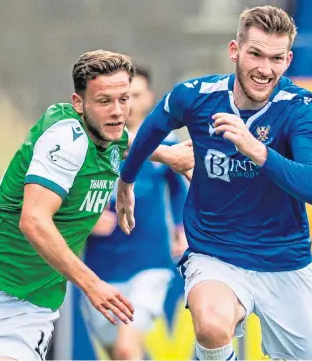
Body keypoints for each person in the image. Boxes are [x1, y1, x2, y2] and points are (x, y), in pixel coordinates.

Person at [117, 5, 312, 361]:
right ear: (235, 50)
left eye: (276, 58)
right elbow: (150, 130)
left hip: (285, 261)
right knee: (210, 325)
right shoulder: (195, 96)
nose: (264, 69)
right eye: (255, 54)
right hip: (215, 253)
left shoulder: (297, 107)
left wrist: (256, 149)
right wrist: (126, 180)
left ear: (288, 60)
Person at [0, 50, 194, 361]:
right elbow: (34, 221)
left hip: (31, 302)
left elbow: (126, 141)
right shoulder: (67, 139)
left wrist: (153, 165)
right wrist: (93, 285)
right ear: (79, 103)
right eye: (104, 101)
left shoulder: (105, 134)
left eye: (124, 99)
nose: (118, 111)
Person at [81, 65, 189, 360]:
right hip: (100, 271)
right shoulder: (89, 145)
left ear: (148, 97)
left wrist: (182, 228)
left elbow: (180, 188)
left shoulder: (166, 144)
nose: (126, 105)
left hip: (149, 264)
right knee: (120, 352)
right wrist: (85, 220)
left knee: (128, 348)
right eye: (119, 97)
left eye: (133, 96)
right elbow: (59, 200)